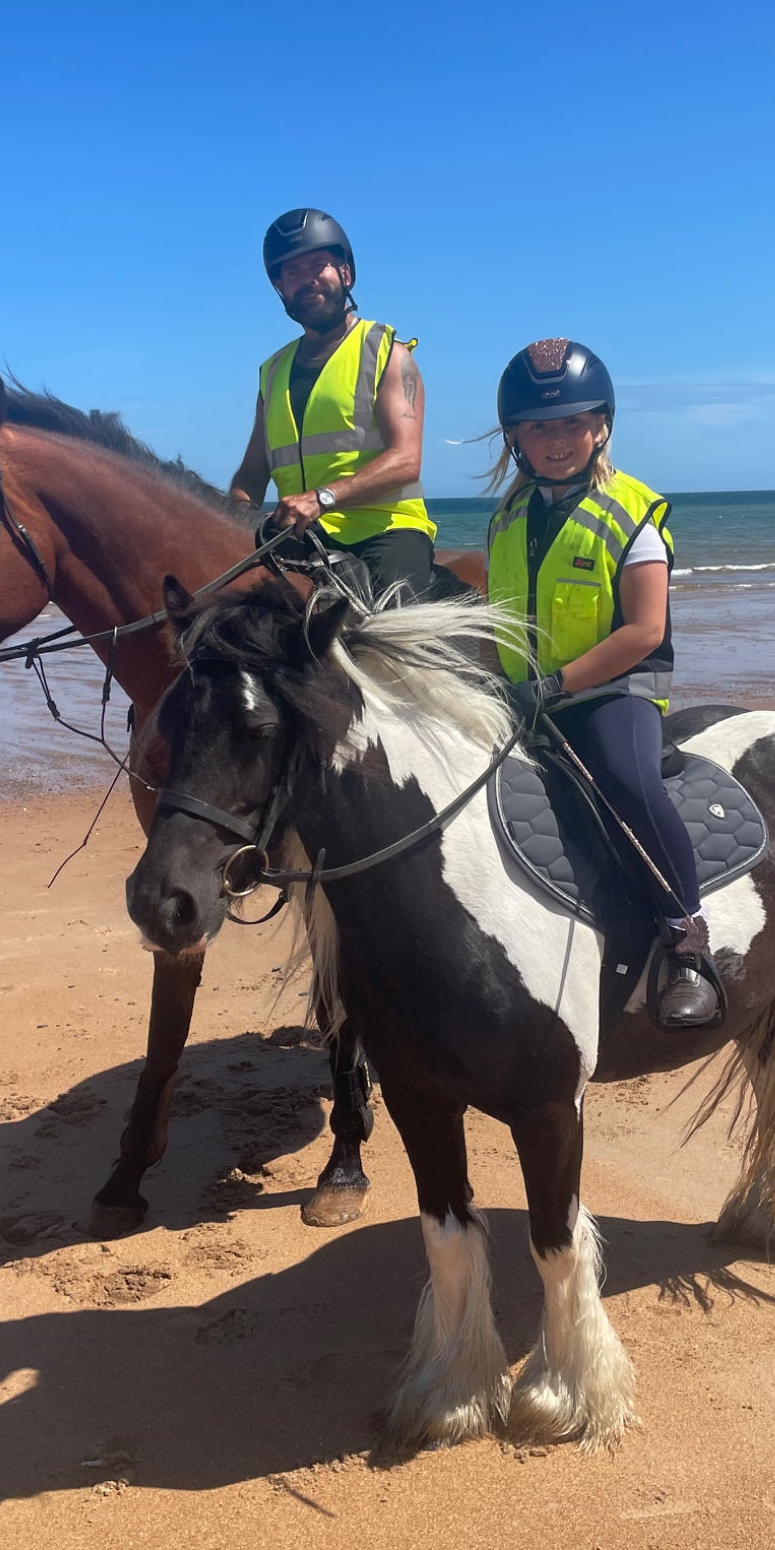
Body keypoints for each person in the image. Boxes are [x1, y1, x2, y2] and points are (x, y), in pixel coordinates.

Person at [486, 338, 722, 1029]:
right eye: (539, 426)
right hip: (524, 695)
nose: (556, 439)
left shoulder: (633, 514)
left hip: (608, 693)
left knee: (626, 779)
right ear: (515, 438)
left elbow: (644, 630)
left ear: (601, 426)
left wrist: (555, 686)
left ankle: (687, 941)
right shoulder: (509, 517)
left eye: (571, 423)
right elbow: (497, 584)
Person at [230, 208, 437, 602]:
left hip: (386, 531)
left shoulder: (387, 354)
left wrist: (322, 498)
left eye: (318, 265)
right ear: (280, 288)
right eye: (292, 272)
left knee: (392, 640)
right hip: (297, 535)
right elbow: (252, 472)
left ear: (345, 273)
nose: (307, 280)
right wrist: (234, 515)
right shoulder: (271, 373)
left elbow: (406, 459)